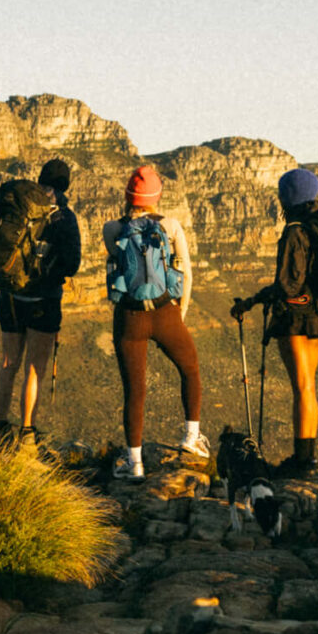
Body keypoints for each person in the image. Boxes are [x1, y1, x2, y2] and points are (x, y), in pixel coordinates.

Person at [102, 164, 204, 480]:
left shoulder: (112, 228)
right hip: (165, 312)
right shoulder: (171, 226)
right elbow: (186, 274)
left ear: (128, 195)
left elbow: (119, 263)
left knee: (134, 390)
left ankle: (135, 464)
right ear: (157, 196)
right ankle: (191, 438)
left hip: (130, 317)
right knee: (190, 369)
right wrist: (179, 313)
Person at [231, 167, 318, 476]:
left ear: (287, 197)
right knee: (309, 387)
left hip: (295, 319)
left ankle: (302, 462)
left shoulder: (295, 231)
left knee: (301, 387)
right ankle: (308, 457)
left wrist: (253, 301)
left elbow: (288, 285)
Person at [0, 158, 82, 447]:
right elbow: (72, 265)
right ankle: (27, 431)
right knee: (34, 368)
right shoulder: (64, 216)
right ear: (65, 185)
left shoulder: (19, 206)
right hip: (43, 300)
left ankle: (1, 428)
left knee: (9, 363)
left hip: (9, 297)